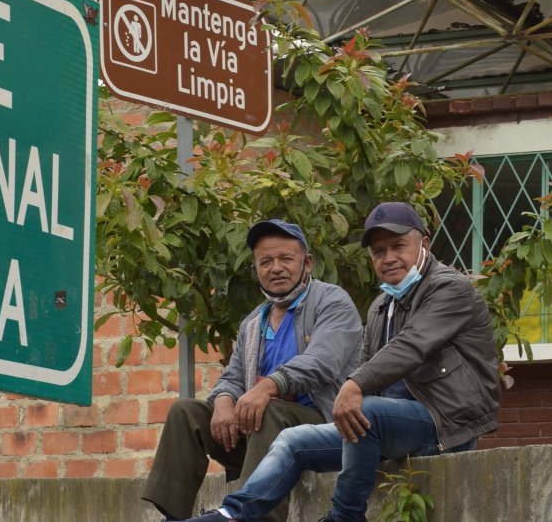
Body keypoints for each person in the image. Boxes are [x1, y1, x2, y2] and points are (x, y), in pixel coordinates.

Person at [181, 202, 501, 522]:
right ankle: (233, 514)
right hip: (382, 427)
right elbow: (363, 366)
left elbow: (412, 346)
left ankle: (344, 516)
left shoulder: (449, 288)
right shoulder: (381, 305)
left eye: (398, 246)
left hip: (445, 424)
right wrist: (353, 389)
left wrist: (355, 385)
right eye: (378, 251)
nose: (388, 258)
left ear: (424, 244)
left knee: (366, 410)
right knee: (293, 441)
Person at [143, 219, 363, 522]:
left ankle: (249, 516)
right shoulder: (254, 322)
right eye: (266, 262)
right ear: (256, 270)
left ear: (307, 263)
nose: (276, 268)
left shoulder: (331, 301)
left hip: (324, 428)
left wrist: (267, 387)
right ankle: (173, 517)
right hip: (263, 436)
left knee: (268, 409)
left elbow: (321, 362)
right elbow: (232, 377)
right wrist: (222, 400)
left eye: (286, 258)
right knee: (186, 412)